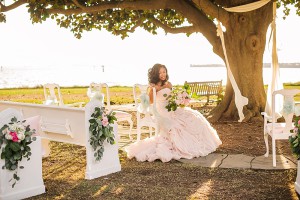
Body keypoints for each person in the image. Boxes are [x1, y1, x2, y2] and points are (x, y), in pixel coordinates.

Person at [126, 63, 222, 162]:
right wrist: (153, 90)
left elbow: (172, 98)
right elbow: (149, 102)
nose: (163, 74)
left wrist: (180, 100)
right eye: (160, 73)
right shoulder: (152, 86)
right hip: (161, 111)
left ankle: (201, 143)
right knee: (176, 125)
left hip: (172, 108)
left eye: (164, 72)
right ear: (155, 74)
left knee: (193, 117)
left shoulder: (169, 84)